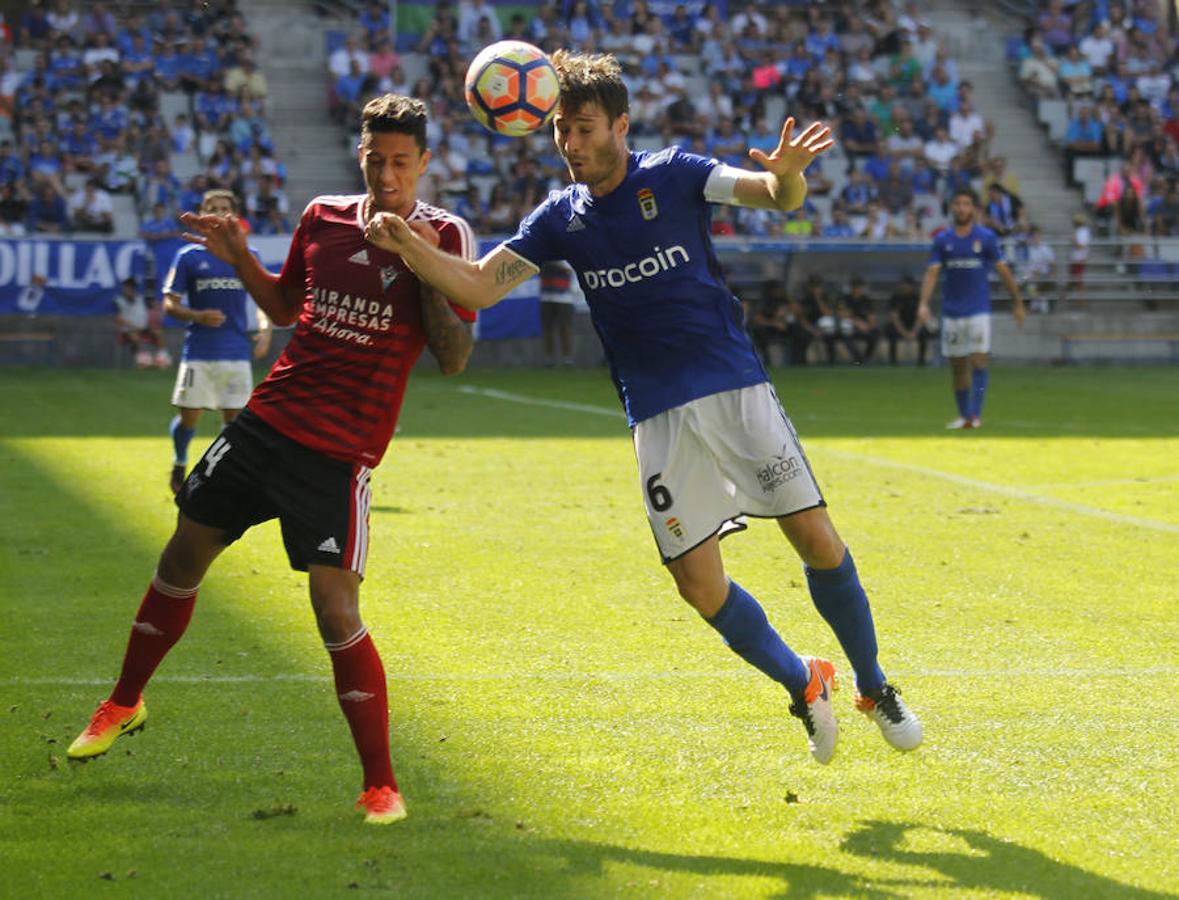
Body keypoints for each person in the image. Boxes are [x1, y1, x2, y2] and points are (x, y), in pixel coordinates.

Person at [365, 51, 923, 765]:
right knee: (697, 584)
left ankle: (873, 686)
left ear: (621, 125)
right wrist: (410, 245)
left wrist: (785, 174)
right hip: (654, 411)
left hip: (732, 387)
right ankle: (801, 679)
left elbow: (769, 196)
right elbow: (475, 288)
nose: (570, 144)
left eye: (585, 128)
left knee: (813, 537)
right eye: (561, 130)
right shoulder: (559, 219)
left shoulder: (676, 174)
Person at [66, 95, 476, 827]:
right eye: (376, 160)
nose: (387, 175)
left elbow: (452, 357)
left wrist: (413, 260)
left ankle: (379, 784)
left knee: (332, 609)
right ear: (361, 155)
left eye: (401, 163)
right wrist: (239, 259)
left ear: (423, 162)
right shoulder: (321, 215)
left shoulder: (443, 233)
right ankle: (122, 703)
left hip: (338, 452)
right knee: (179, 558)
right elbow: (286, 308)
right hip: (266, 423)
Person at [162, 189, 272, 496]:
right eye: (213, 207)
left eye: (225, 208)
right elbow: (169, 304)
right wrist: (196, 315)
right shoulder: (189, 257)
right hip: (199, 349)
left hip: (236, 350)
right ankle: (180, 462)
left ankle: (217, 476)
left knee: (234, 422)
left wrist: (265, 330)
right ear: (204, 212)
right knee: (189, 416)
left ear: (233, 216)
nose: (219, 213)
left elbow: (264, 300)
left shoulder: (249, 257)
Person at [918, 189, 1025, 430]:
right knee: (957, 367)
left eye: (966, 204)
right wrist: (923, 303)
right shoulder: (942, 240)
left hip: (978, 310)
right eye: (957, 203)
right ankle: (964, 415)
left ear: (974, 209)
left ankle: (975, 415)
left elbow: (1003, 270)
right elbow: (932, 273)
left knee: (978, 360)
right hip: (952, 311)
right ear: (952, 208)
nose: (961, 208)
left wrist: (1017, 301)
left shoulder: (986, 238)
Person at [114, 276, 170, 369]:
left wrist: (161, 308)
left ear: (133, 289)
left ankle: (162, 356)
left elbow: (155, 306)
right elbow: (118, 319)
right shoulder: (118, 301)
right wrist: (133, 325)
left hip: (143, 328)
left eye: (129, 288)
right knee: (134, 335)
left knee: (158, 332)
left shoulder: (141, 299)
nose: (126, 290)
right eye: (125, 288)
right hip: (127, 330)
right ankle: (143, 359)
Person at [884, 273, 935, 365]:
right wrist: (904, 332)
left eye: (907, 285)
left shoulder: (917, 298)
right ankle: (893, 361)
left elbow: (920, 317)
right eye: (903, 285)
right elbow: (895, 318)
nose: (905, 287)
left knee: (924, 333)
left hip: (914, 325)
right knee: (891, 332)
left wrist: (914, 332)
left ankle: (921, 361)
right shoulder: (896, 298)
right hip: (900, 326)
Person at [538, 258, 578, 366]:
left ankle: (567, 359)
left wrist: (556, 263)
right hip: (546, 296)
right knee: (547, 328)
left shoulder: (566, 255)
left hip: (564, 297)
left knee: (565, 328)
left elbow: (569, 269)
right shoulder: (543, 257)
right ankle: (549, 359)